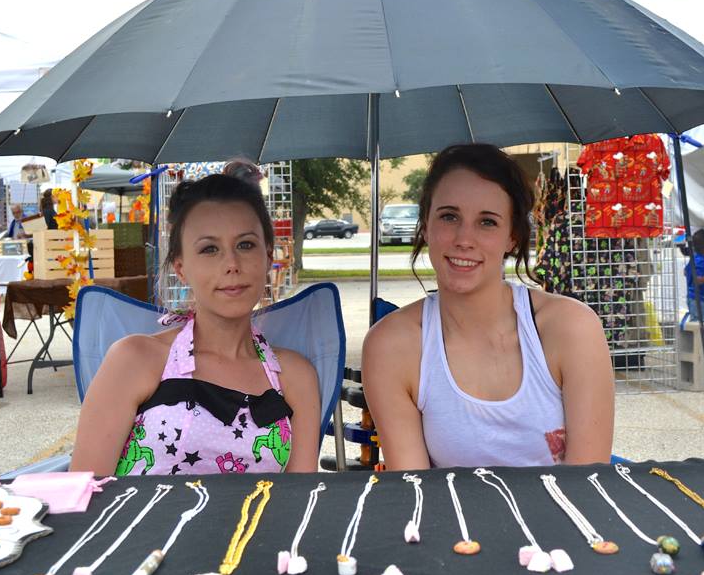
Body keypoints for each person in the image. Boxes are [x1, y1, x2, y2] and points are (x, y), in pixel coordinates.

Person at [362, 144, 615, 470]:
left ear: (513, 236)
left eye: (487, 222)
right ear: (425, 225)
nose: (464, 239)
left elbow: (587, 485)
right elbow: (416, 492)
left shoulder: (572, 329)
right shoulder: (391, 346)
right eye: (449, 216)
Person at [70, 173, 320, 475]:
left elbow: (299, 501)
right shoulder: (135, 360)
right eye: (209, 249)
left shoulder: (294, 377)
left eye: (245, 245)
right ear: (181, 268)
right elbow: (85, 495)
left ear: (268, 257)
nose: (232, 264)